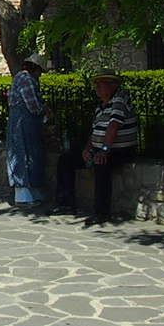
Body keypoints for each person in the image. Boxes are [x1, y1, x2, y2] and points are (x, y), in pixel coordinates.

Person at [55, 69, 139, 222]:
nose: (97, 88)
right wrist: (87, 149)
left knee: (101, 164)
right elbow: (95, 131)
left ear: (112, 85)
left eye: (101, 84)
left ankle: (102, 213)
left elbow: (113, 126)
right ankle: (65, 204)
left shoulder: (119, 101)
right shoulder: (100, 107)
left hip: (120, 150)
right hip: (100, 148)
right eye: (96, 84)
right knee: (66, 160)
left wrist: (104, 150)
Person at [5, 53, 48, 207]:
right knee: (24, 153)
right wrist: (45, 111)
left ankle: (31, 192)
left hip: (22, 121)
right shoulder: (26, 79)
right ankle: (23, 195)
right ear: (35, 68)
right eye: (40, 71)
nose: (40, 75)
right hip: (24, 122)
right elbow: (33, 105)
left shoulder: (21, 77)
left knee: (27, 153)